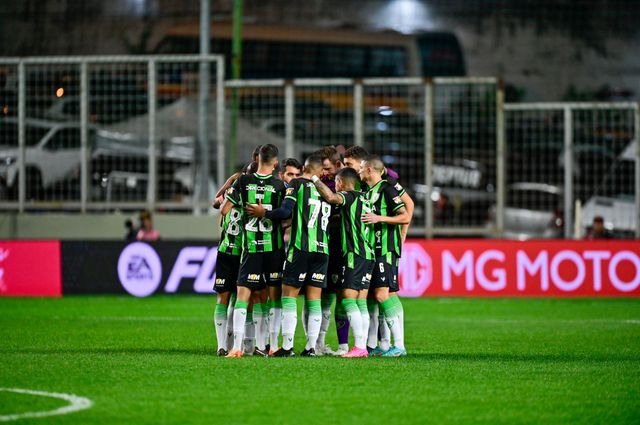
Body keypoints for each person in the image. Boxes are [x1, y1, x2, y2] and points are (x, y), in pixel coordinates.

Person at [246, 154, 330, 357]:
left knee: (289, 296)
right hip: (322, 249)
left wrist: (263, 213)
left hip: (301, 248)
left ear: (305, 169)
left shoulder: (296, 185)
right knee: (314, 299)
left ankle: (288, 346)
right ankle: (311, 348)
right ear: (319, 172)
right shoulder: (326, 192)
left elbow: (285, 211)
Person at [222, 144, 287, 358]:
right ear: (276, 162)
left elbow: (224, 209)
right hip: (274, 248)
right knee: (274, 297)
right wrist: (268, 212)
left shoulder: (243, 181)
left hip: (250, 248)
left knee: (243, 295)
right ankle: (273, 345)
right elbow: (287, 216)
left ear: (257, 158)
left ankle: (236, 347)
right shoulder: (281, 185)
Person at [312, 167, 375, 357]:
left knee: (348, 299)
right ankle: (361, 346)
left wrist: (314, 178)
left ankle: (360, 347)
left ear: (341, 183)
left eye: (337, 183)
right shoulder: (366, 198)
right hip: (368, 254)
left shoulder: (349, 196)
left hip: (354, 254)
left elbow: (331, 198)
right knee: (359, 302)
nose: (336, 186)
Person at [359, 155, 411, 357]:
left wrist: (379, 218)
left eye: (362, 168)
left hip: (386, 249)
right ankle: (385, 345)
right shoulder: (368, 191)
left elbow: (405, 215)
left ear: (370, 169)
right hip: (373, 250)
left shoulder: (387, 189)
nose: (359, 171)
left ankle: (399, 346)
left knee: (382, 295)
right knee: (384, 295)